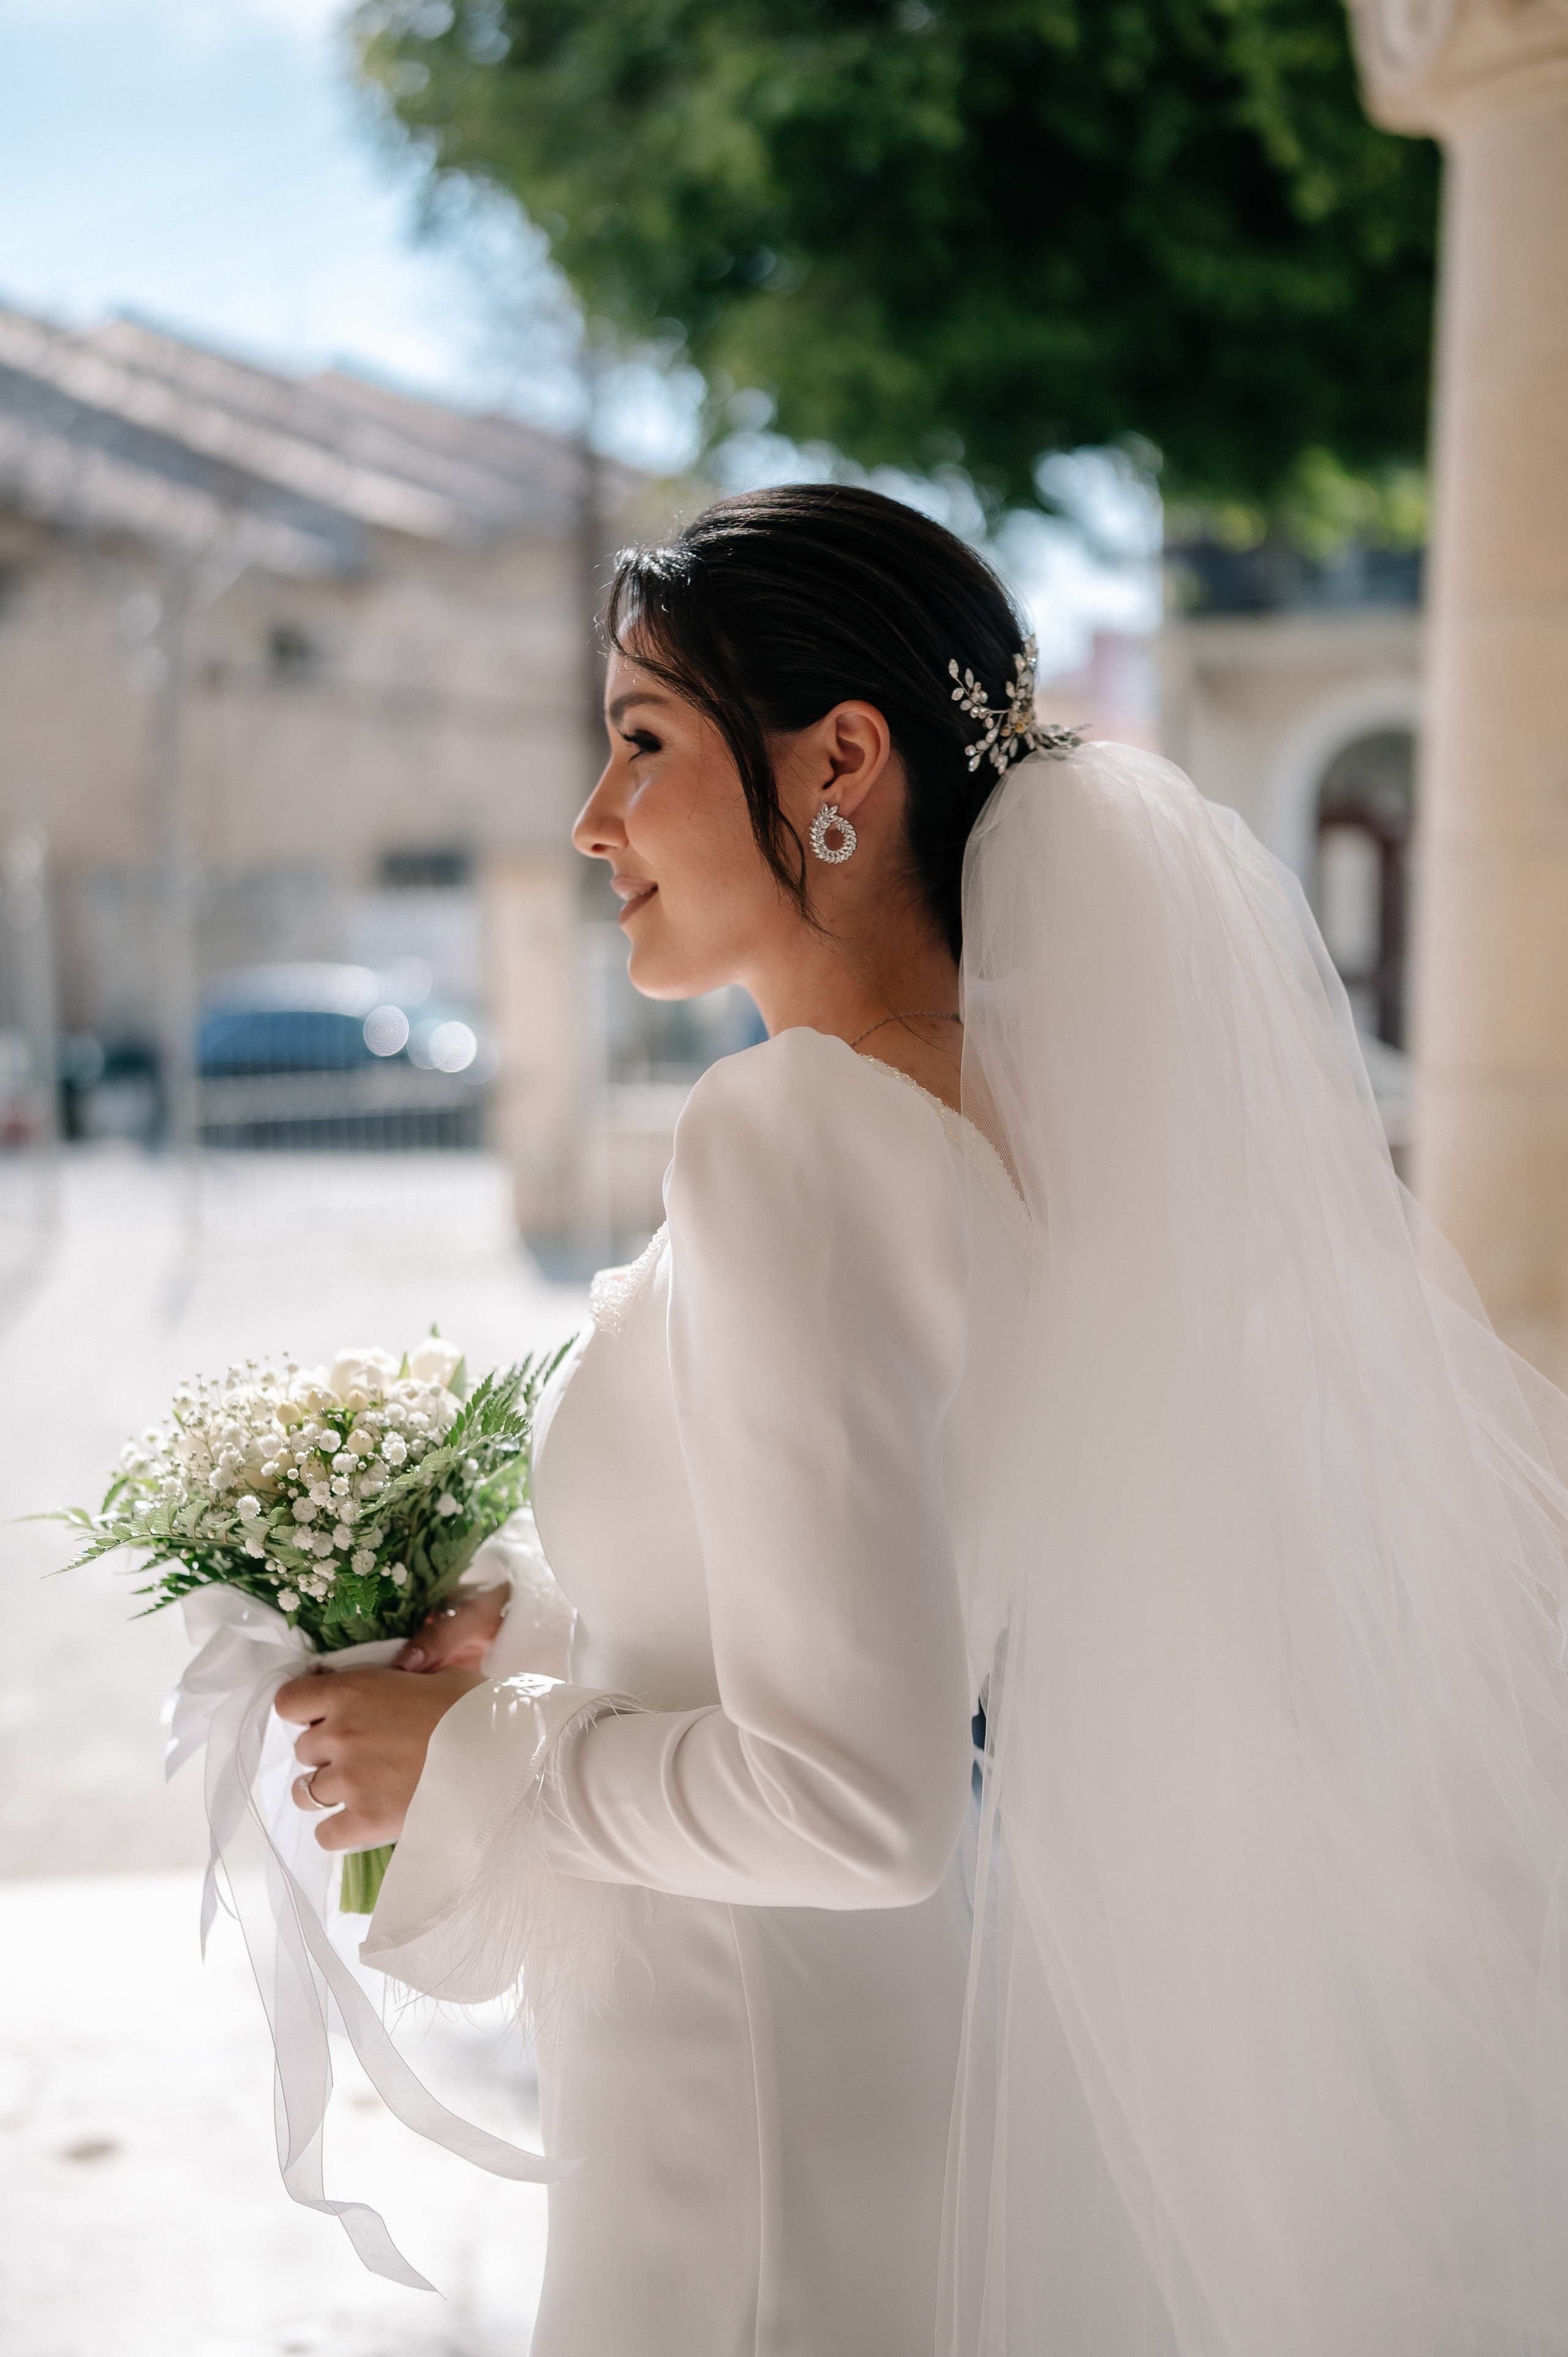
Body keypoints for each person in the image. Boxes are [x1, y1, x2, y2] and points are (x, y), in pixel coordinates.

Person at [277, 485, 1568, 2357]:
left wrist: (481, 1749)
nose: (590, 820)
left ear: (843, 758)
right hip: (871, 2082)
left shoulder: (795, 1137)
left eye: (641, 744)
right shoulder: (1032, 1128)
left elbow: (855, 1800)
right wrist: (542, 1641)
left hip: (750, 2147)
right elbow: (893, 1617)